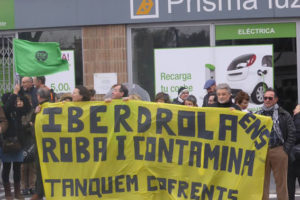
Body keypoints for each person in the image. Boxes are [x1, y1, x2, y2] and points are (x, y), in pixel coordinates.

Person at [256, 88, 296, 200]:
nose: (267, 100)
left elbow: (292, 133)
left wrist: (285, 150)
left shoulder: (284, 114)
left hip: (279, 149)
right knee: (262, 183)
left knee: (281, 183)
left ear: (276, 99)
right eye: (265, 98)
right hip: (262, 151)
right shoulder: (258, 114)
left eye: (270, 98)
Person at [1, 84, 31, 200]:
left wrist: (21, 93)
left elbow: (27, 108)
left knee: (17, 167)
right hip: (6, 142)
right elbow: (7, 107)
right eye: (14, 99)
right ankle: (8, 193)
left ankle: (17, 192)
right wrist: (14, 93)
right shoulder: (5, 110)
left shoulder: (17, 111)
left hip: (18, 142)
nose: (16, 101)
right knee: (7, 167)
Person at [30, 88, 51, 200]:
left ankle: (39, 192)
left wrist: (34, 114)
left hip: (41, 144)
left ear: (38, 97)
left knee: (39, 168)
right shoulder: (54, 106)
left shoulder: (39, 109)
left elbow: (32, 123)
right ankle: (40, 192)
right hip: (52, 144)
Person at [288, 105, 300, 200]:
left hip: (294, 156)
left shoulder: (295, 120)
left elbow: (294, 136)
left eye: (295, 108)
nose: (293, 110)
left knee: (290, 183)